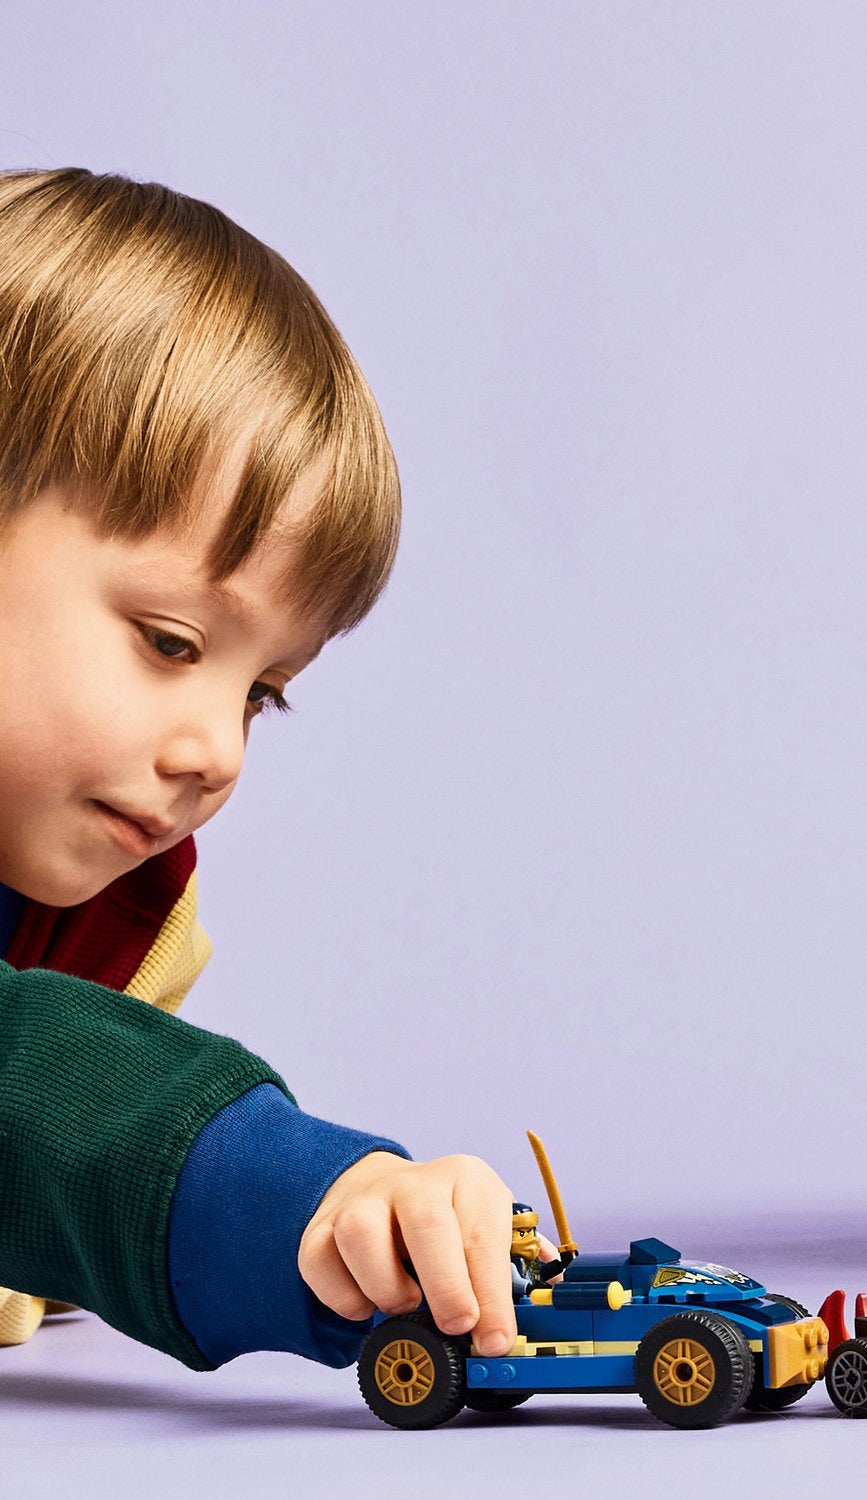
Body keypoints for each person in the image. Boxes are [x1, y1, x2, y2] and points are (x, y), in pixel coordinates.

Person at [0, 167, 521, 1371]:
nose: (216, 753)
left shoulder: (126, 914)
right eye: (169, 642)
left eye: (260, 693)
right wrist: (294, 1197)